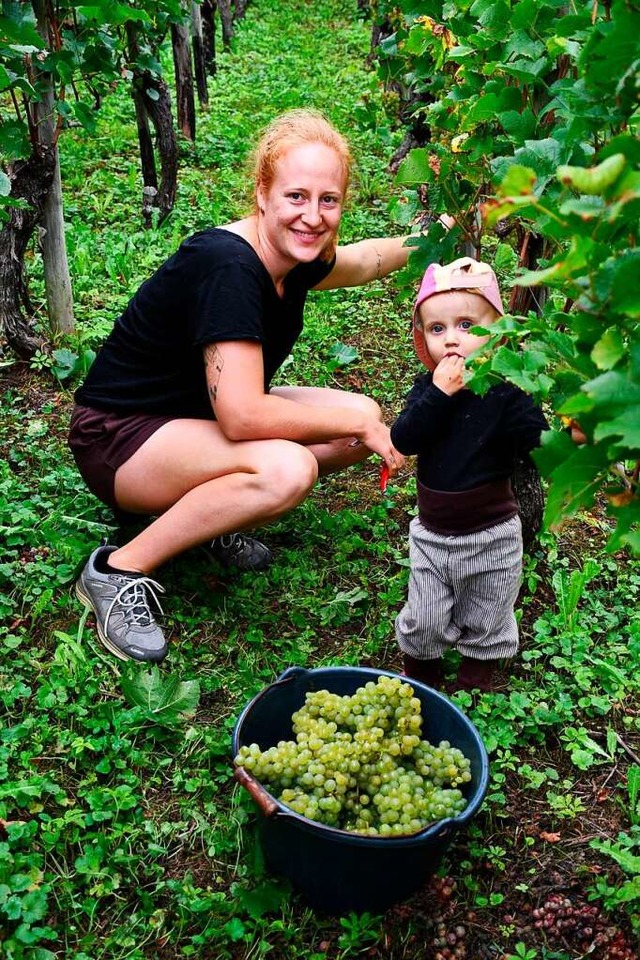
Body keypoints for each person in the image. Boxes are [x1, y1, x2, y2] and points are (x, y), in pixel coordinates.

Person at [69, 108, 409, 664]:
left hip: (190, 421)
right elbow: (244, 418)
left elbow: (368, 261)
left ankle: (212, 516)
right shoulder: (229, 265)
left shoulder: (294, 255)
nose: (314, 216)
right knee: (289, 467)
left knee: (357, 418)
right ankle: (116, 570)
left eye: (329, 200)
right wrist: (358, 424)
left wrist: (440, 236)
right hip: (120, 439)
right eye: (296, 196)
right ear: (262, 193)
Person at [391, 257, 549, 693]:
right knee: (423, 615)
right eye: (437, 329)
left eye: (467, 325)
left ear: (496, 330)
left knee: (489, 609)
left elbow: (535, 445)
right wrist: (440, 394)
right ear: (423, 338)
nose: (453, 339)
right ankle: (422, 672)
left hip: (493, 532)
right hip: (433, 534)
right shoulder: (428, 389)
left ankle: (476, 676)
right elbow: (404, 439)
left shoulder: (505, 391)